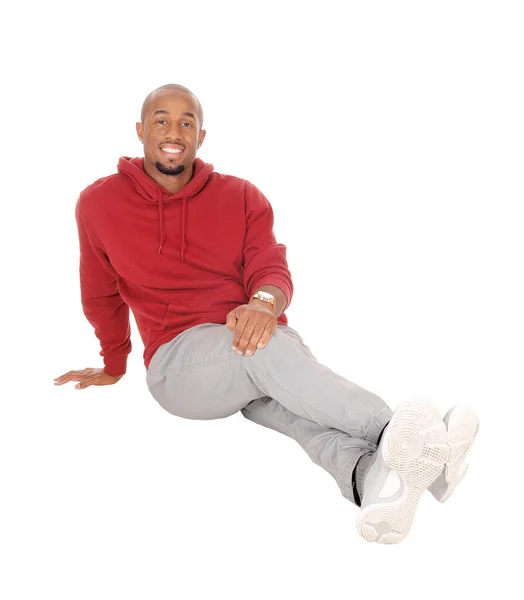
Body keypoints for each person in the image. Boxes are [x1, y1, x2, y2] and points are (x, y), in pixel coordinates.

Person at [54, 84, 479, 544]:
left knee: (293, 405)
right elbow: (100, 293)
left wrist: (263, 303)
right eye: (161, 120)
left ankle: (370, 479)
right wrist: (114, 364)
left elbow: (269, 266)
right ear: (140, 130)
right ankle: (400, 433)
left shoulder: (240, 196)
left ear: (201, 135)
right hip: (179, 368)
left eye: (186, 122)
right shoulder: (98, 203)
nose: (173, 130)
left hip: (259, 345)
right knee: (263, 348)